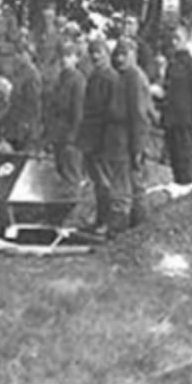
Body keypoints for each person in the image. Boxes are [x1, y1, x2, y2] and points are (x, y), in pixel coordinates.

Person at [77, 39, 131, 238]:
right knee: (98, 181)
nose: (95, 56)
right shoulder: (95, 76)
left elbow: (111, 111)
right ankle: (100, 220)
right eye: (92, 52)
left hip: (103, 137)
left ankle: (107, 223)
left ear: (107, 54)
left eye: (99, 52)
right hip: (91, 135)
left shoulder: (111, 78)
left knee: (105, 181)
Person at [161, 24, 192, 185]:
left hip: (185, 121)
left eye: (178, 39)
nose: (174, 42)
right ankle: (179, 187)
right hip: (171, 120)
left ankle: (187, 187)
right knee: (174, 158)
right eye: (172, 39)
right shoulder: (171, 64)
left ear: (186, 40)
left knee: (185, 159)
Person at [113, 38, 151, 227]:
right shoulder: (125, 75)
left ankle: (124, 231)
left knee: (125, 187)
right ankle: (136, 229)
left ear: (134, 55)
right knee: (133, 185)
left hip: (128, 139)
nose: (120, 59)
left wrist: (137, 147)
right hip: (122, 138)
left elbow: (139, 115)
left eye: (124, 54)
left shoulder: (134, 77)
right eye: (118, 54)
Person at [48, 40, 86, 190]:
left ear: (77, 58)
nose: (65, 59)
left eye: (69, 55)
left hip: (71, 138)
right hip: (58, 135)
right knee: (61, 174)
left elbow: (78, 112)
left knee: (71, 177)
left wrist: (72, 137)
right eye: (63, 55)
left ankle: (73, 210)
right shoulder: (60, 79)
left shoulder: (78, 81)